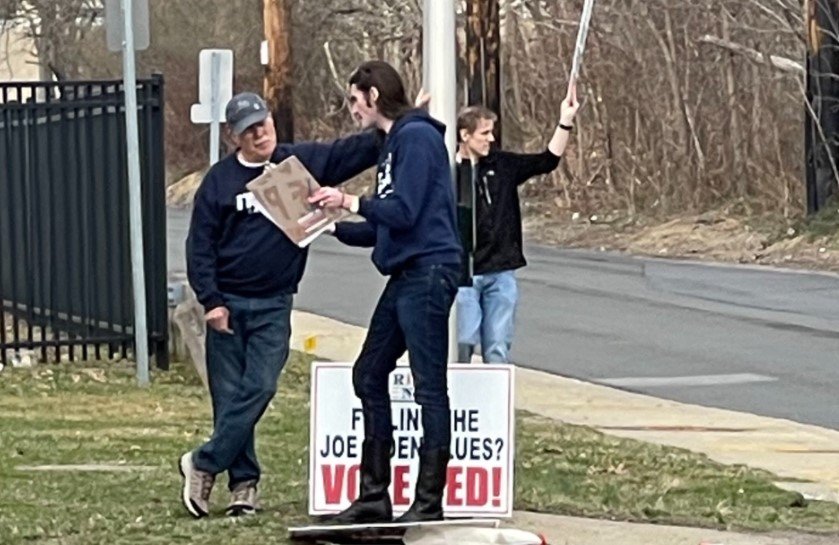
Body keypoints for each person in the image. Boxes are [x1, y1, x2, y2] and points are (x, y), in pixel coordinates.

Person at [181, 91, 382, 518]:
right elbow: (200, 245)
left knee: (261, 387)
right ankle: (243, 485)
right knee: (229, 397)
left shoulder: (296, 164)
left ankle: (202, 462)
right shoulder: (219, 181)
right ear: (234, 137)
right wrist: (211, 301)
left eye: (264, 123)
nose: (260, 134)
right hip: (228, 304)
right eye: (249, 130)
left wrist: (396, 119)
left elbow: (352, 152)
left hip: (274, 302)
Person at [308, 60, 461, 523]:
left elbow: (404, 211)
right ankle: (374, 495)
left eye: (355, 100)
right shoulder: (395, 142)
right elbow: (384, 227)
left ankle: (428, 501)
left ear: (373, 96)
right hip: (407, 273)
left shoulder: (415, 139)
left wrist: (348, 200)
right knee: (369, 373)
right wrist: (329, 226)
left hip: (429, 272)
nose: (353, 109)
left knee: (428, 387)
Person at [456, 85, 580, 363]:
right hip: (463, 272)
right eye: (484, 133)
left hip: (501, 270)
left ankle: (496, 392)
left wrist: (565, 120)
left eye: (492, 132)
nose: (491, 139)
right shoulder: (448, 171)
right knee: (462, 341)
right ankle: (456, 390)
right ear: (465, 135)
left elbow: (546, 161)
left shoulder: (503, 165)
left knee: (497, 346)